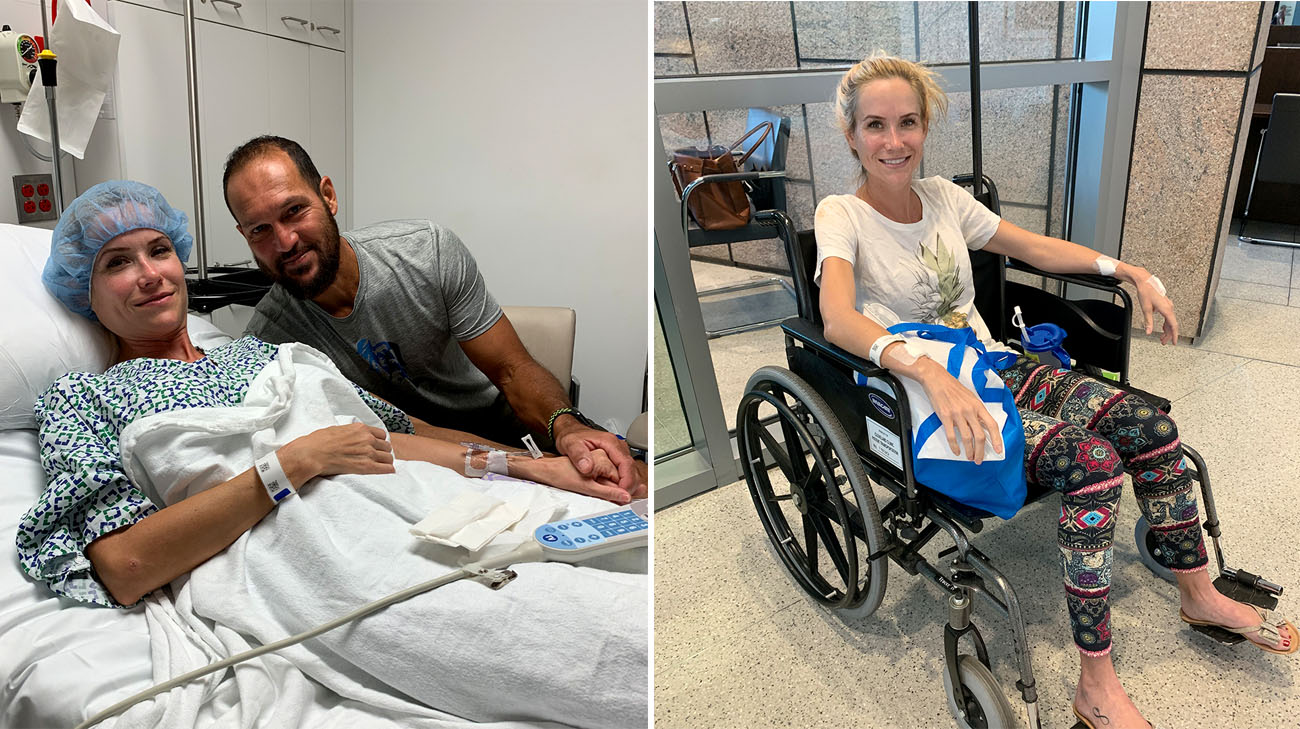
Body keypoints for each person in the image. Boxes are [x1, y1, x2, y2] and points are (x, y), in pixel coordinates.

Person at [817, 54, 1297, 728]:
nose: (893, 140)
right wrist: (924, 370)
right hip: (926, 397)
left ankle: (1200, 594)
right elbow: (838, 316)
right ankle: (1094, 683)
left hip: (999, 367)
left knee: (1148, 427)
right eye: (875, 125)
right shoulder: (841, 213)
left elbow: (1036, 248)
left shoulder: (943, 199)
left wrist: (1127, 269)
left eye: (907, 122)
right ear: (851, 135)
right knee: (1095, 464)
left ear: (926, 126)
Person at [18, 180, 629, 610]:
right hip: (335, 560)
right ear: (83, 296)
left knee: (625, 542)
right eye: (118, 263)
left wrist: (538, 467)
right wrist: (292, 463)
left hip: (440, 503)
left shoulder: (262, 353)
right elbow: (125, 568)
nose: (150, 273)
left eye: (159, 251)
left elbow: (397, 438)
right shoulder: (79, 399)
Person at [219, 136, 644, 502]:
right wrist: (528, 468)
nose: (286, 241)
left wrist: (564, 428)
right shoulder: (270, 342)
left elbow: (512, 369)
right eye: (260, 229)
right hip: (416, 465)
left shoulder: (425, 252)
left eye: (294, 210)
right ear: (244, 236)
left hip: (510, 426)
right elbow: (390, 436)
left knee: (625, 485)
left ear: (327, 195)